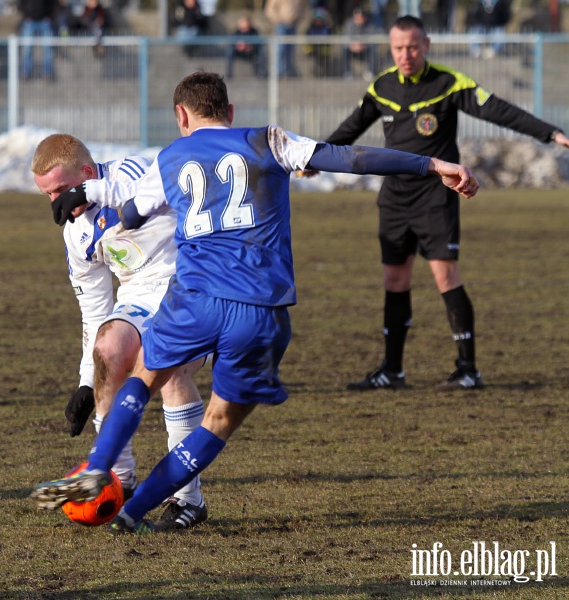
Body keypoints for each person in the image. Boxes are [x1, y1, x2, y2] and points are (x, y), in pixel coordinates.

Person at [30, 71, 480, 534]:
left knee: (143, 378)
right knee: (219, 421)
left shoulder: (171, 157)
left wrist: (91, 193)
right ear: (230, 113)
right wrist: (431, 166)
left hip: (196, 301)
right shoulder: (268, 140)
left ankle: (99, 466)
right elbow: (351, 156)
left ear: (181, 115)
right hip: (260, 311)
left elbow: (129, 213)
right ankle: (133, 510)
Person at [324, 16, 569, 392]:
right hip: (394, 197)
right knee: (394, 279)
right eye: (398, 48)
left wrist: (550, 132)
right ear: (391, 49)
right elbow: (351, 128)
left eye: (412, 47)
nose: (406, 55)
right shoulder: (382, 86)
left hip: (435, 196)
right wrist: (314, 158)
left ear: (427, 45)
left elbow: (499, 110)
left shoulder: (449, 82)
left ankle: (467, 369)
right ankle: (392, 370)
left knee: (445, 276)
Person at [31, 134, 209, 530]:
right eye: (47, 194)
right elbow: (94, 311)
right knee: (109, 348)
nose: (55, 202)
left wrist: (91, 192)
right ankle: (119, 480)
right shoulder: (76, 234)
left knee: (169, 368)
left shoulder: (130, 171)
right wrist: (84, 382)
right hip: (140, 299)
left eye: (61, 190)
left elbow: (147, 188)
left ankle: (188, 500)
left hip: (193, 286)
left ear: (88, 174)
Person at [264, 0, 308, 78]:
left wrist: (299, 18)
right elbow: (269, 10)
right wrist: (277, 19)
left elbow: (303, 9)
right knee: (280, 49)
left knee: (290, 49)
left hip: (293, 25)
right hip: (281, 25)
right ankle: (278, 72)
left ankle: (288, 72)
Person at [18, 0, 57, 80]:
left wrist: (49, 16)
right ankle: (25, 72)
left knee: (48, 49)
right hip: (29, 21)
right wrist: (26, 15)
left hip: (45, 21)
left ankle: (47, 73)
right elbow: (21, 3)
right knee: (27, 48)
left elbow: (53, 3)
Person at [341, 7, 381, 80]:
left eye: (360, 17)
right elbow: (345, 38)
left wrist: (364, 45)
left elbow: (375, 38)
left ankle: (370, 72)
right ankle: (347, 72)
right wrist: (352, 45)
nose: (358, 19)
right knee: (344, 49)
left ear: (364, 17)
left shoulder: (371, 24)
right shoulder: (349, 24)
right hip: (352, 50)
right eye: (356, 17)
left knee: (373, 50)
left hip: (366, 50)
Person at [226, 14, 267, 79]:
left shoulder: (254, 31)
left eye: (247, 24)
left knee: (262, 52)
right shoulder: (236, 32)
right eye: (243, 25)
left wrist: (251, 47)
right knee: (230, 51)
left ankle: (262, 73)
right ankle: (229, 73)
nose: (245, 27)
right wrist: (238, 46)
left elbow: (259, 43)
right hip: (239, 52)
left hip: (252, 52)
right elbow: (231, 43)